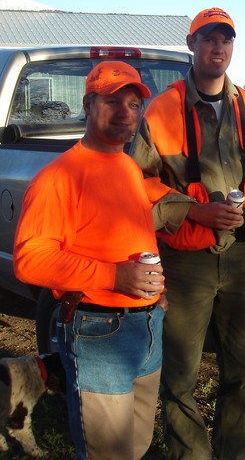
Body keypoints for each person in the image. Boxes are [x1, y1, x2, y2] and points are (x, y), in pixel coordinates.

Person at [130, 7, 245, 459]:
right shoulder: (161, 110)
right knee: (178, 376)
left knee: (243, 370)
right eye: (208, 38)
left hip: (242, 258)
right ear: (191, 43)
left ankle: (236, 453)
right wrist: (196, 211)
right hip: (187, 261)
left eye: (226, 39)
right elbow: (139, 184)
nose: (218, 48)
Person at [13, 61, 166, 459]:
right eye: (112, 101)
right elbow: (30, 259)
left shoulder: (129, 167)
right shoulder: (58, 178)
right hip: (98, 330)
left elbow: (134, 235)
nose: (125, 113)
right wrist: (115, 276)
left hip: (147, 325)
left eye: (134, 104)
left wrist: (156, 294)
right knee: (108, 453)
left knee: (137, 443)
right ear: (87, 105)